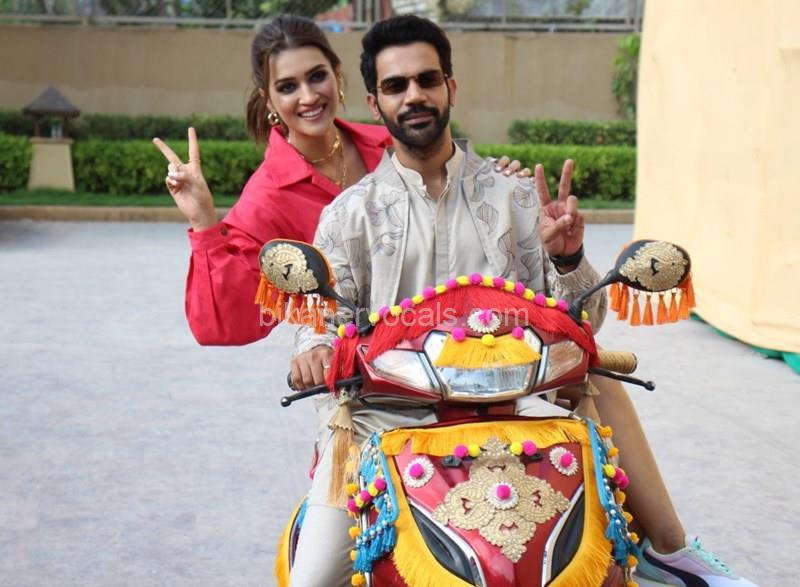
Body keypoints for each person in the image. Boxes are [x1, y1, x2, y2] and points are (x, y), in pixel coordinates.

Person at [289, 15, 757, 587]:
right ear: (374, 102)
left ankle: (667, 547)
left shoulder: (514, 196)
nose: (414, 96)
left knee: (602, 523)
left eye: (427, 80)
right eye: (396, 86)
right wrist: (314, 347)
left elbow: (583, 322)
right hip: (386, 418)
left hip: (517, 405)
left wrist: (568, 257)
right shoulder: (348, 215)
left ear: (450, 88)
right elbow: (324, 315)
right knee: (315, 579)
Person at [152, 15, 527, 347]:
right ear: (268, 101)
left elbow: (462, 204)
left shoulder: (390, 144)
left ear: (337, 75)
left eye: (317, 76)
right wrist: (204, 223)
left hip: (459, 345)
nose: (308, 96)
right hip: (360, 373)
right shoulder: (266, 200)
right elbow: (223, 324)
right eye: (288, 87)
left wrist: (499, 181)